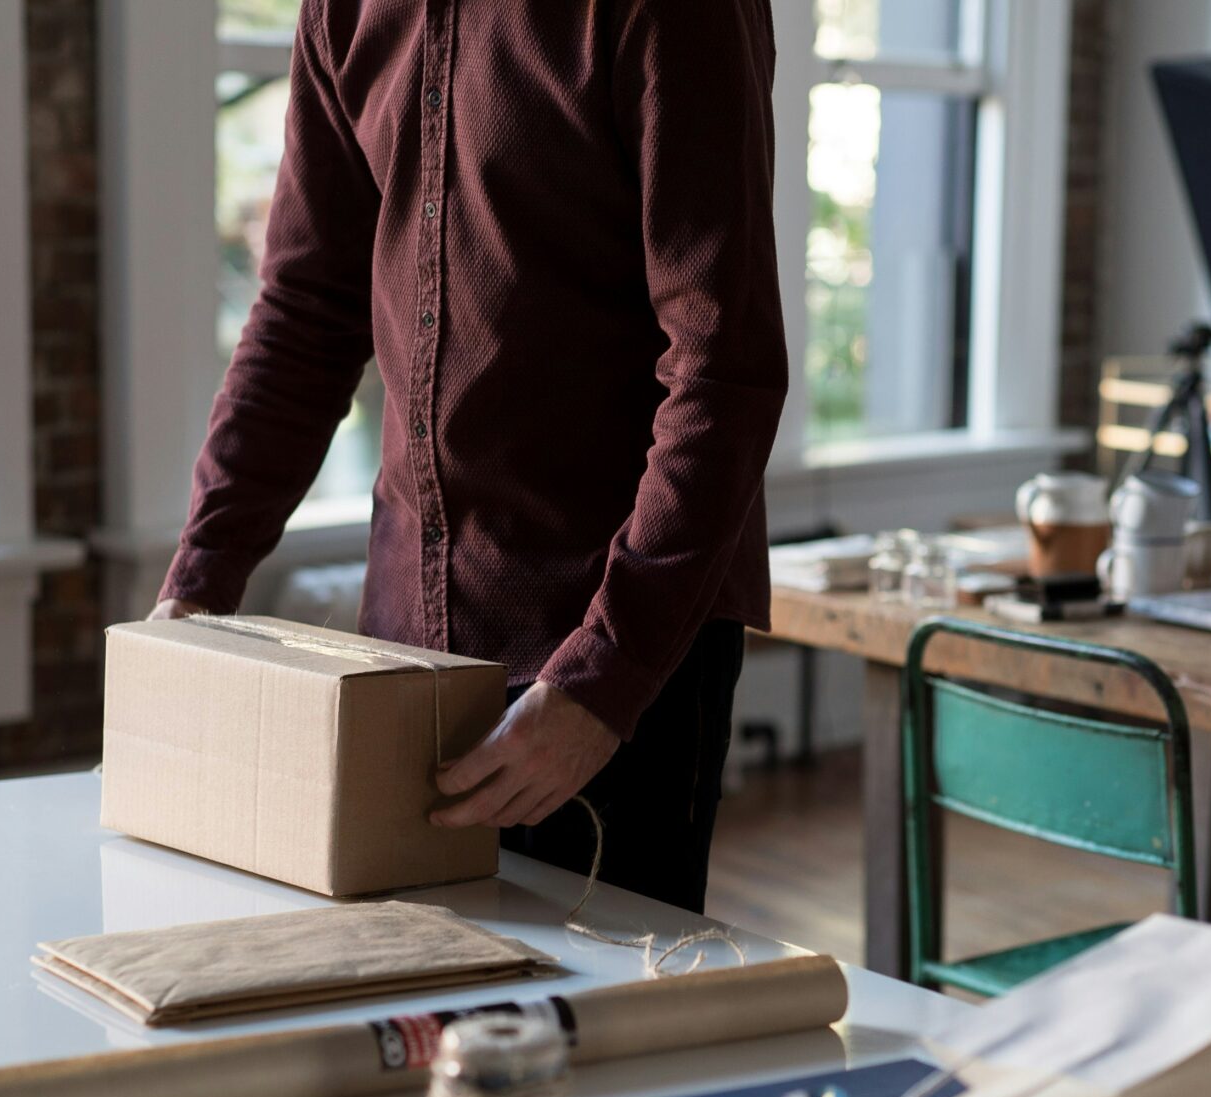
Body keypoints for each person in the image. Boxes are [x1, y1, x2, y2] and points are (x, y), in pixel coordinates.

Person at [148, 1, 787, 915]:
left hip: (613, 654)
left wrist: (602, 683)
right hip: (403, 658)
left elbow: (724, 370)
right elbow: (304, 317)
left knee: (593, 1040)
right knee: (410, 1027)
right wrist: (196, 592)